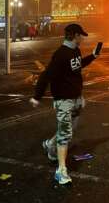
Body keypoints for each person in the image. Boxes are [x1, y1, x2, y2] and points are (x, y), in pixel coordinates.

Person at [29, 24, 101, 185]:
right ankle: (61, 171)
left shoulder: (75, 50)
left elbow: (77, 65)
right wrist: (37, 96)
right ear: (75, 35)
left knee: (69, 130)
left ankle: (49, 144)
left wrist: (93, 56)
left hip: (75, 99)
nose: (83, 38)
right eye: (81, 35)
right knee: (65, 134)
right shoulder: (60, 54)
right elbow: (46, 76)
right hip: (64, 101)